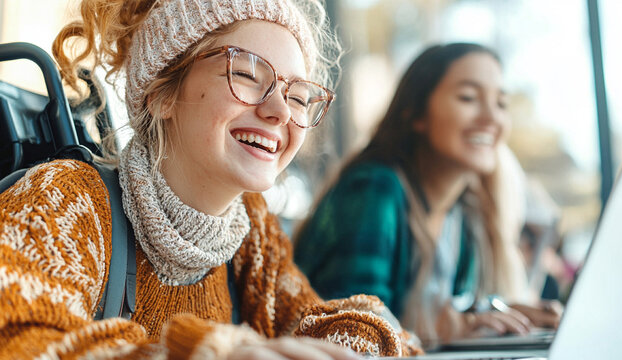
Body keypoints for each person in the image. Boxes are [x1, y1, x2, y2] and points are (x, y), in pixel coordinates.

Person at [0, 0, 422, 358]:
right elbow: (17, 336)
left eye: (297, 95)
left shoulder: (251, 229)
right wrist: (203, 350)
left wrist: (365, 339)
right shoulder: (66, 198)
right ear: (161, 93)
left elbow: (307, 321)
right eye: (246, 74)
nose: (280, 111)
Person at [294, 43, 562, 347]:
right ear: (415, 114)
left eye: (501, 103)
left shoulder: (464, 213)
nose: (491, 118)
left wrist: (490, 313)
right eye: (468, 98)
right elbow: (348, 334)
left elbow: (440, 315)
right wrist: (440, 332)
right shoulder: (375, 188)